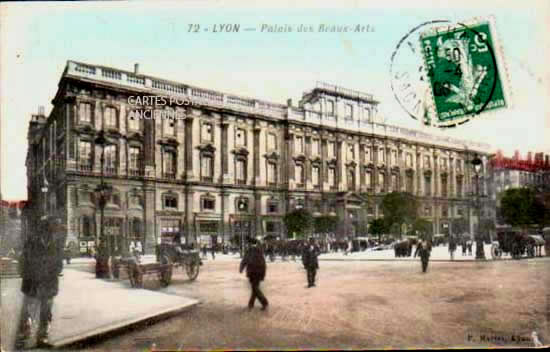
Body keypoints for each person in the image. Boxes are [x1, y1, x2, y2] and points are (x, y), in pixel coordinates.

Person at [15, 216, 66, 348]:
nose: (57, 230)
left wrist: (55, 270)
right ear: (47, 228)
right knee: (28, 311)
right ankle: (22, 338)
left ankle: (42, 338)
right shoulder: (32, 241)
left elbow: (59, 261)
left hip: (48, 282)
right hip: (33, 282)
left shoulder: (56, 243)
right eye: (55, 227)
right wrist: (28, 275)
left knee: (46, 312)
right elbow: (23, 260)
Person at [239, 238, 268, 310]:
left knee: (255, 288)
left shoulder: (250, 251)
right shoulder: (259, 250)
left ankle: (264, 302)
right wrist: (263, 272)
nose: (246, 245)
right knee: (255, 288)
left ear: (250, 244)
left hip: (253, 272)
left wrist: (241, 268)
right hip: (259, 272)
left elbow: (245, 260)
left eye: (247, 243)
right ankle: (251, 304)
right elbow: (263, 262)